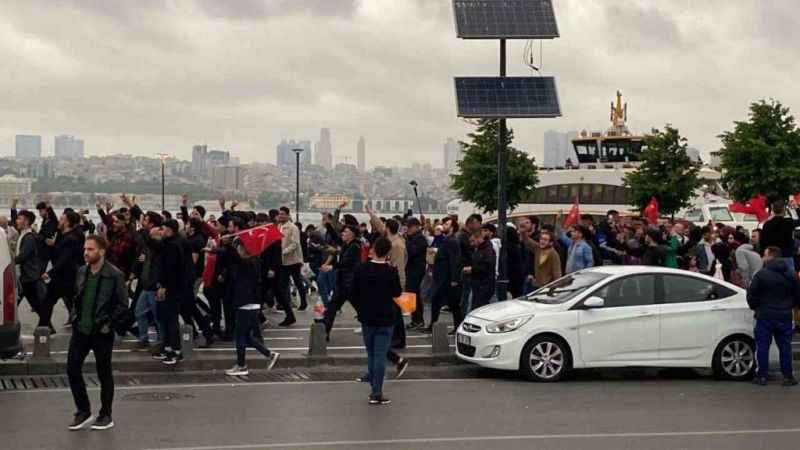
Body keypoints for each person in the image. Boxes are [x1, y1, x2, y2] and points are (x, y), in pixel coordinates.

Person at [67, 235, 129, 431]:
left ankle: (106, 414)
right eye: (85, 249)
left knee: (104, 373)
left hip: (101, 330)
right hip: (81, 329)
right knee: (72, 368)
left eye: (91, 249)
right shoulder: (81, 271)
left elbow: (122, 305)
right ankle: (83, 410)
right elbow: (77, 297)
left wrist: (108, 323)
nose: (86, 252)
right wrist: (75, 317)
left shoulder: (114, 274)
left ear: (101, 251)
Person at [351, 237, 402, 405]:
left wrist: (360, 309)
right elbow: (396, 293)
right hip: (386, 316)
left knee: (371, 353)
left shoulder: (361, 269)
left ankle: (374, 386)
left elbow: (353, 292)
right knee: (380, 354)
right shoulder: (391, 271)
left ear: (373, 249)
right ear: (387, 252)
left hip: (367, 316)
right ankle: (376, 392)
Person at [222, 239, 280, 376]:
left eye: (239, 248)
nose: (237, 250)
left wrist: (227, 244)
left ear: (244, 250)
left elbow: (235, 260)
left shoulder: (247, 263)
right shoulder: (255, 262)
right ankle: (269, 354)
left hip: (245, 302)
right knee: (246, 336)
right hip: (251, 303)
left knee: (240, 335)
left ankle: (242, 365)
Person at [747, 246, 800, 386]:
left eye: (764, 255)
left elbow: (752, 295)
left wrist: (756, 307)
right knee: (785, 347)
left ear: (770, 256)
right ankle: (788, 377)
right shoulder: (791, 274)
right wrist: (789, 306)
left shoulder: (761, 274)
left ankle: (762, 376)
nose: (763, 258)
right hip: (785, 316)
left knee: (763, 346)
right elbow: (797, 296)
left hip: (765, 315)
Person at [41, 210, 84, 330]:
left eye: (62, 219)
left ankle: (44, 328)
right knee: (49, 303)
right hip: (61, 277)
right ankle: (45, 327)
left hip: (66, 277)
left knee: (49, 302)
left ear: (67, 222)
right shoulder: (62, 235)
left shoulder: (71, 239)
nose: (59, 221)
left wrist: (49, 273)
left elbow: (64, 259)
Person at [323, 225, 362, 337]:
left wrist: (332, 267)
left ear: (352, 234)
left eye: (346, 232)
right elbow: (337, 238)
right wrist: (329, 225)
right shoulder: (347, 244)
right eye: (343, 231)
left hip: (350, 283)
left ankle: (374, 326)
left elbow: (347, 262)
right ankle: (324, 332)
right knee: (332, 307)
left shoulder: (354, 246)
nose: (343, 233)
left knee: (361, 309)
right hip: (344, 283)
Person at [426, 217, 462, 333]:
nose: (443, 225)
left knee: (445, 302)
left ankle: (434, 325)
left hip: (446, 277)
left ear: (452, 228)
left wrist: (454, 279)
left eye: (446, 224)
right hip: (443, 276)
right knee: (450, 303)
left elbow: (454, 260)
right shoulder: (447, 240)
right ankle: (434, 325)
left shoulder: (451, 241)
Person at [14, 210, 47, 331]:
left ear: (26, 221)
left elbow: (23, 256)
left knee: (35, 304)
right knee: (32, 304)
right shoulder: (23, 234)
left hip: (28, 277)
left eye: (19, 218)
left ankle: (46, 326)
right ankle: (46, 325)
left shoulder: (29, 237)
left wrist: (8, 262)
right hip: (25, 277)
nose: (17, 221)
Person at [277, 207, 307, 325]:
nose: (280, 216)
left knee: (297, 281)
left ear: (288, 215)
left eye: (283, 214)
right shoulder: (279, 227)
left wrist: (284, 251)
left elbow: (295, 243)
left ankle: (303, 301)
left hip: (293, 260)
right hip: (283, 261)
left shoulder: (293, 228)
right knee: (283, 284)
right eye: (279, 214)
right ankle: (287, 304)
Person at [760, 200, 799, 278]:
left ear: (773, 209)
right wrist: (796, 208)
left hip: (771, 257)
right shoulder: (788, 222)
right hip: (786, 256)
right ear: (784, 209)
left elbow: (762, 242)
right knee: (789, 282)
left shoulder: (767, 224)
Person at [405, 217, 428, 330]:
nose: (407, 229)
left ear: (416, 227)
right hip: (411, 270)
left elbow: (411, 251)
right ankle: (415, 319)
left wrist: (407, 239)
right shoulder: (413, 237)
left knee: (414, 296)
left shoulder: (420, 239)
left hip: (416, 271)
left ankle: (419, 320)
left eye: (409, 227)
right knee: (410, 295)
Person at [463, 230, 495, 311]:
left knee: (478, 308)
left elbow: (486, 266)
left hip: (483, 284)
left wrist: (472, 269)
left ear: (479, 238)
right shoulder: (480, 249)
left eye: (473, 241)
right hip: (478, 283)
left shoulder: (487, 250)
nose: (471, 244)